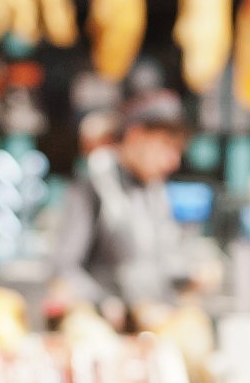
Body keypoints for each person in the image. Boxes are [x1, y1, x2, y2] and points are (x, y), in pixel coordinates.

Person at [46, 90, 199, 325]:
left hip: (156, 324)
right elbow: (64, 267)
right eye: (167, 145)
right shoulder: (96, 183)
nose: (174, 160)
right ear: (136, 135)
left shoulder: (155, 189)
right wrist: (109, 304)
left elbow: (158, 261)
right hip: (107, 329)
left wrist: (189, 276)